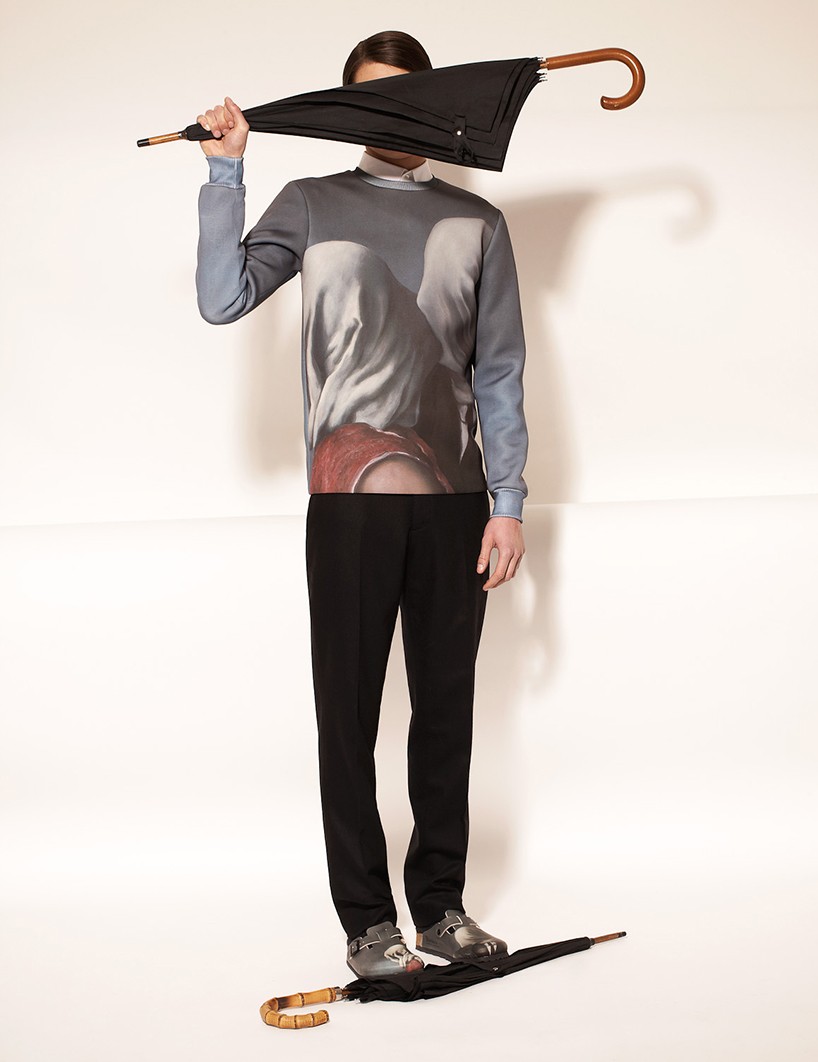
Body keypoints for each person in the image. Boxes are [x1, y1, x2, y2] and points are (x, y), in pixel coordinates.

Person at [195, 29, 529, 979]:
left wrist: (507, 500)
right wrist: (226, 174)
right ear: (349, 107)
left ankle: (442, 908)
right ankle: (369, 924)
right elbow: (222, 300)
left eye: (410, 97)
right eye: (376, 98)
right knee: (346, 716)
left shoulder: (477, 221)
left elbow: (499, 371)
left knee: (446, 711)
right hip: (346, 499)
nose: (397, 116)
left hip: (457, 503)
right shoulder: (311, 202)